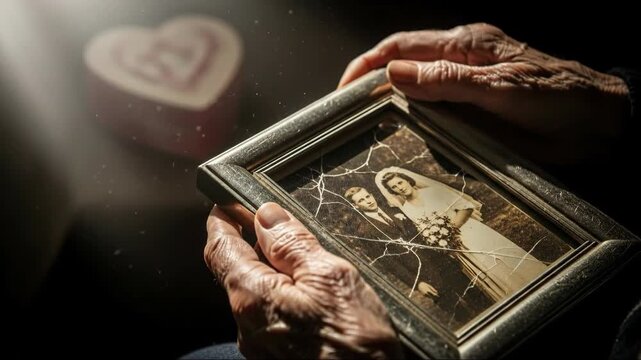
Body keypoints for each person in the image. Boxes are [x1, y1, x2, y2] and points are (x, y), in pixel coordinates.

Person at [196, 23, 640, 359]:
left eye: (388, 182)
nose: (381, 190)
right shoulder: (394, 217)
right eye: (374, 191)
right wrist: (623, 105)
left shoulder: (423, 199)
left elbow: (466, 206)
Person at [375, 167, 548, 302]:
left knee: (503, 260)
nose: (400, 187)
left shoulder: (431, 192)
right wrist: (441, 240)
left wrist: (449, 231)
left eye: (400, 182)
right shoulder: (406, 209)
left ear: (406, 179)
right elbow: (423, 229)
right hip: (457, 248)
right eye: (394, 187)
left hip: (471, 233)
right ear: (393, 192)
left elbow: (465, 207)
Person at [343, 186, 492, 325]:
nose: (368, 201)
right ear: (356, 206)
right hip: (424, 276)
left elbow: (420, 235)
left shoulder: (393, 209)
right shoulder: (365, 232)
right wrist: (417, 283)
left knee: (478, 298)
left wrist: (444, 252)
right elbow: (390, 264)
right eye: (361, 201)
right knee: (460, 314)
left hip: (442, 263)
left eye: (367, 196)